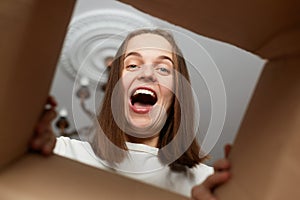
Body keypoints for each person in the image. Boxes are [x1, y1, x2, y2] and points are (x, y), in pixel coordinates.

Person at [31, 29, 231, 199]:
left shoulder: (206, 184)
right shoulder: (62, 153)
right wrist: (27, 141)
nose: (146, 74)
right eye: (133, 65)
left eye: (163, 68)